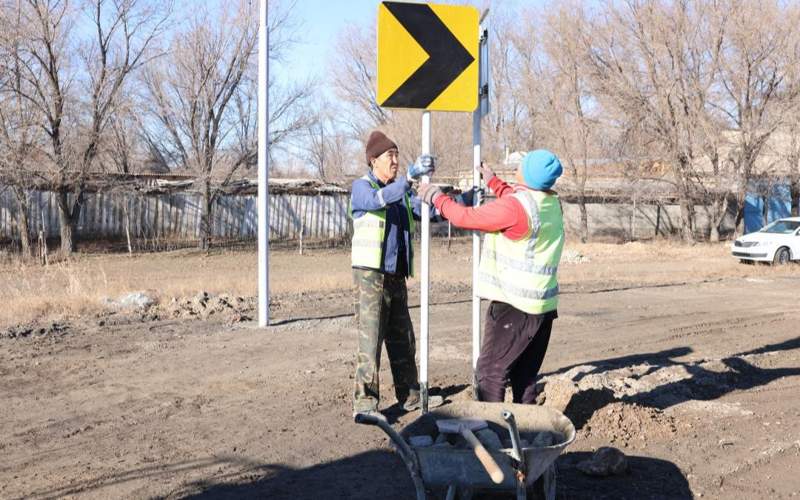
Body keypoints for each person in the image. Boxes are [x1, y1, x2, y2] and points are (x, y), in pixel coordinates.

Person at [417, 150, 565, 404]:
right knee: (524, 375)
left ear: (527, 174)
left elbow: (465, 217)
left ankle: (491, 431)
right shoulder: (551, 203)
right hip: (542, 306)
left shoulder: (515, 208)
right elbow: (518, 198)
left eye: (522, 164)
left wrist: (436, 197)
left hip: (515, 306)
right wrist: (493, 181)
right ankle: (528, 434)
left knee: (490, 373)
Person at [350, 130, 444, 420]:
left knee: (403, 337)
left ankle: (410, 395)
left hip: (396, 276)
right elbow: (379, 200)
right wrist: (410, 178)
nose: (395, 161)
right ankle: (365, 404)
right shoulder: (363, 187)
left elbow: (430, 212)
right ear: (373, 160)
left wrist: (464, 199)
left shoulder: (401, 193)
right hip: (371, 277)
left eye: (397, 156)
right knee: (371, 339)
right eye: (390, 156)